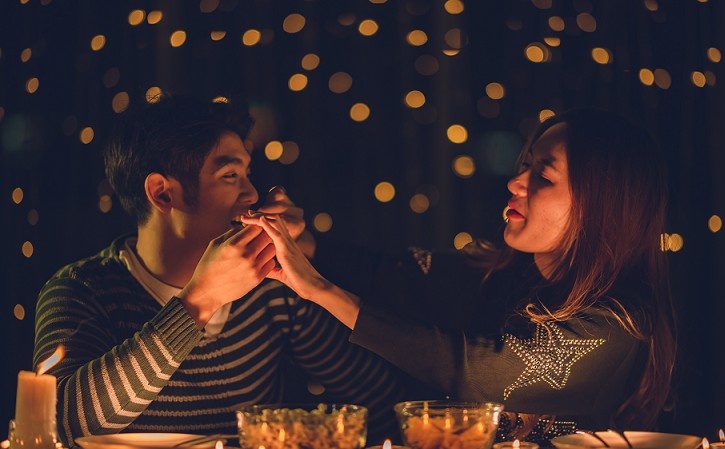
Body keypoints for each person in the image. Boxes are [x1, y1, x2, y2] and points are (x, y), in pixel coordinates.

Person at [242, 106, 677, 443]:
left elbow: (473, 372)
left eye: (542, 176)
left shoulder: (618, 321)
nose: (516, 183)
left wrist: (317, 289)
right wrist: (304, 243)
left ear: (600, 206)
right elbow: (390, 276)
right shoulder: (498, 276)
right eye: (523, 165)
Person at [32, 93, 403, 448]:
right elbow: (59, 425)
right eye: (230, 176)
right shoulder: (79, 290)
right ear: (163, 194)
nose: (252, 195)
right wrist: (198, 303)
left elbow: (382, 405)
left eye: (247, 174)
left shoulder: (270, 289)